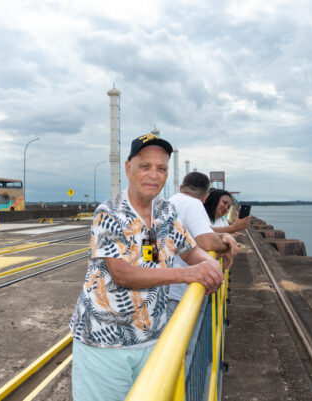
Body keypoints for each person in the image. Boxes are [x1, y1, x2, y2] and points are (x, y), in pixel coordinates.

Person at [70, 134, 225, 401]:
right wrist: (187, 275)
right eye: (145, 166)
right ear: (129, 168)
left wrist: (210, 263)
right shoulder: (109, 213)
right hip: (105, 344)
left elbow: (189, 250)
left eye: (161, 168)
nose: (154, 175)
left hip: (153, 338)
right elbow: (122, 274)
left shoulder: (165, 211)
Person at [167, 172, 238, 317]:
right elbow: (208, 242)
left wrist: (224, 235)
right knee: (189, 338)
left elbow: (195, 234)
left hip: (167, 286)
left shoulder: (170, 201)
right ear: (205, 196)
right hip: (184, 290)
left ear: (181, 187)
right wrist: (227, 247)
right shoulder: (194, 204)